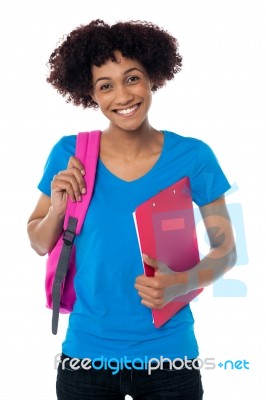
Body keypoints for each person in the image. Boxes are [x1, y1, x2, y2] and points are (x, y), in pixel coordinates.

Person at [27, 19, 237, 400]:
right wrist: (58, 209)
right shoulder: (70, 153)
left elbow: (227, 250)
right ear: (90, 94)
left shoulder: (193, 156)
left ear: (152, 78)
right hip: (86, 358)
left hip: (169, 358)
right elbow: (39, 241)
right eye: (105, 86)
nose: (122, 95)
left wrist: (182, 283)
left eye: (132, 78)